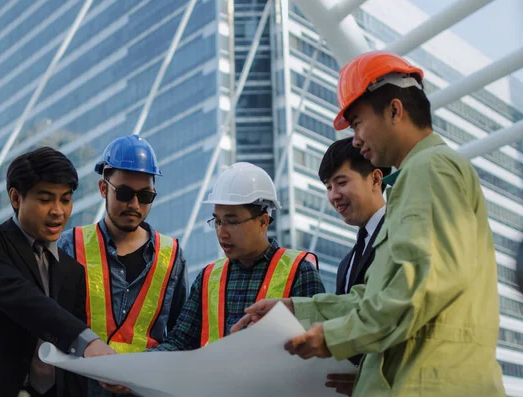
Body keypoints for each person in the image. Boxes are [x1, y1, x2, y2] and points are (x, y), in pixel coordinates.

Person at [233, 51, 505, 396]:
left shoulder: (429, 170)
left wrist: (333, 337)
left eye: (357, 122)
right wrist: (297, 309)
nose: (356, 139)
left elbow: (418, 288)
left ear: (395, 110)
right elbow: (379, 296)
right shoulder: (424, 173)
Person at [0, 147, 116, 397]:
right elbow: (20, 297)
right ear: (16, 199)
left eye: (66, 199)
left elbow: (70, 369)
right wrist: (86, 341)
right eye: (45, 199)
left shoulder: (73, 272)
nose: (58, 211)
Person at [58, 135, 187, 397]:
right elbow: (52, 323)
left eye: (146, 195)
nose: (135, 205)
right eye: (125, 193)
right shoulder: (71, 245)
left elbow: (180, 337)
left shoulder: (171, 255)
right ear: (103, 188)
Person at [149, 162, 325, 352]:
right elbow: (178, 343)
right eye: (217, 221)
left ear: (263, 221)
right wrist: (130, 366)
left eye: (232, 222)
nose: (221, 233)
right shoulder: (208, 278)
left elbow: (319, 347)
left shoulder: (300, 272)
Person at [318, 137, 390, 394]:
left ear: (375, 178)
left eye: (341, 182)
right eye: (328, 187)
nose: (334, 196)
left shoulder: (403, 233)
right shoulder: (346, 264)